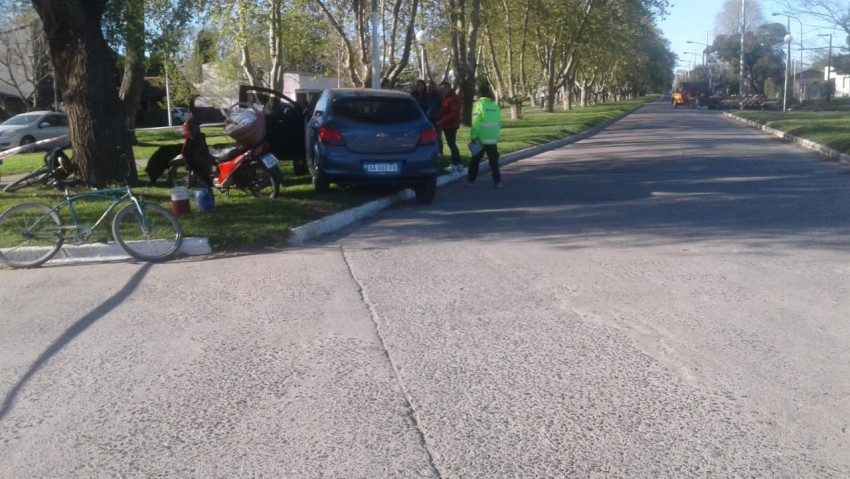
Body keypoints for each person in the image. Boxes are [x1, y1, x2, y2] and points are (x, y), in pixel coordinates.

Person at [468, 82, 503, 188]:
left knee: (475, 160)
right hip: (492, 137)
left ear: (479, 94)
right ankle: (498, 181)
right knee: (493, 161)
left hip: (481, 138)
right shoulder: (495, 106)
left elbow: (476, 122)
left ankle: (471, 180)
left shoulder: (477, 105)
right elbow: (499, 122)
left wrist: (473, 136)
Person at [438, 81, 462, 172]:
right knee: (451, 144)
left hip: (451, 125)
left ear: (448, 88)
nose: (442, 90)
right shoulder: (446, 97)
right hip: (447, 124)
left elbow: (454, 113)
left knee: (452, 144)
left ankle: (455, 163)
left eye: (443, 88)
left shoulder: (453, 98)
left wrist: (443, 120)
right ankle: (458, 163)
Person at [426, 81, 443, 157]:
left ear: (434, 86)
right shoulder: (425, 96)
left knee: (438, 136)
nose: (429, 88)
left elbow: (442, 108)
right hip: (427, 119)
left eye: (430, 86)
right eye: (428, 86)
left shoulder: (438, 96)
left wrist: (439, 117)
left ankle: (440, 151)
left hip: (436, 119)